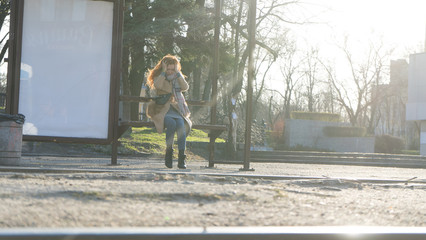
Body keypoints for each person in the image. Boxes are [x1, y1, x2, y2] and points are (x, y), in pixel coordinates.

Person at [146, 55, 192, 169]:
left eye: (172, 69)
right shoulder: (160, 76)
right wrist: (163, 71)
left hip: (176, 109)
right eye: (168, 69)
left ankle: (181, 159)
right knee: (171, 124)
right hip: (162, 109)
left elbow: (185, 87)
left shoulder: (177, 77)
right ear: (164, 68)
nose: (170, 71)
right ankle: (168, 154)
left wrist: (178, 73)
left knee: (181, 126)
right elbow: (157, 85)